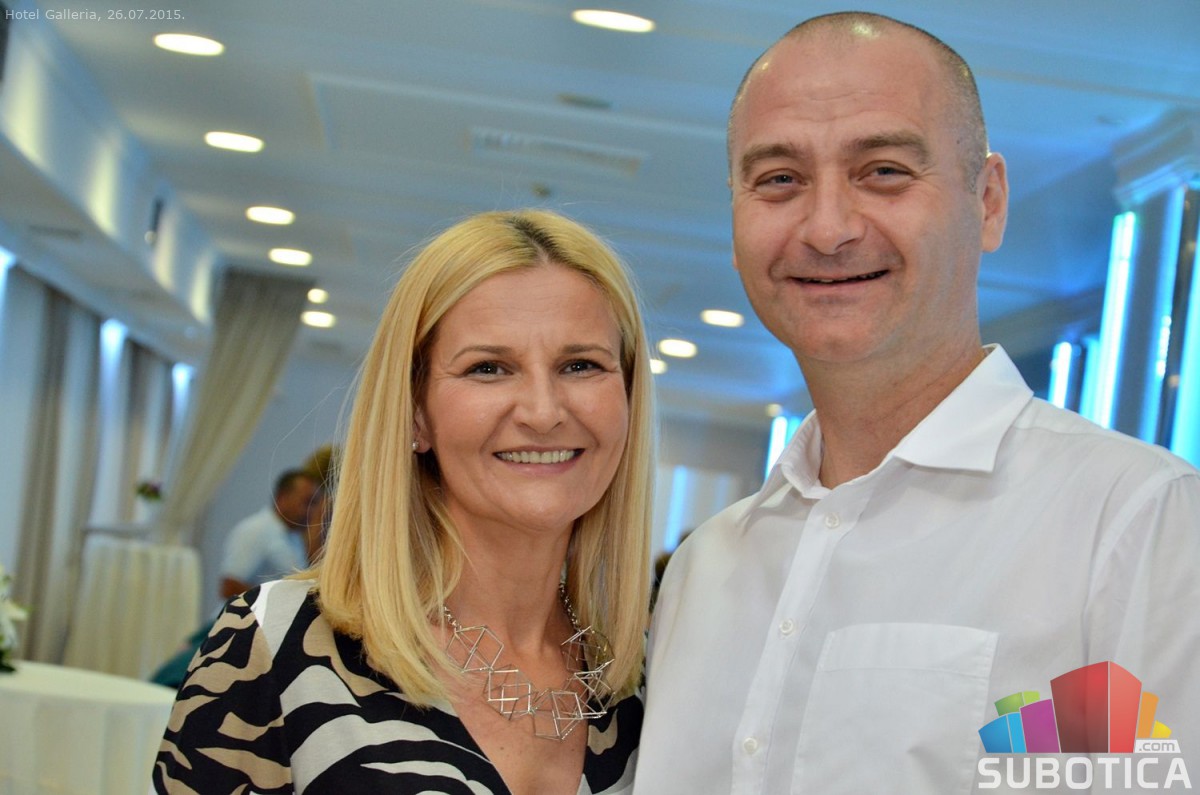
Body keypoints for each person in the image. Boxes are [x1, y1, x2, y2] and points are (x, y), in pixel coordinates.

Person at [635, 12, 1200, 793]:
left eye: (884, 171)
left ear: (988, 201)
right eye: (779, 180)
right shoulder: (708, 566)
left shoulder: (1129, 524)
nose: (828, 228)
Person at [153, 209, 655, 794]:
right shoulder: (275, 643)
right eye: (489, 368)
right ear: (416, 413)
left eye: (581, 365)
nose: (543, 412)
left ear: (627, 399)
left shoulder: (642, 684)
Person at [218, 468, 319, 598]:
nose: (312, 511)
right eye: (307, 502)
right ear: (282, 498)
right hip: (253, 611)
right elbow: (230, 586)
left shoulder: (295, 537)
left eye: (314, 504)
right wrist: (274, 604)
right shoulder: (256, 531)